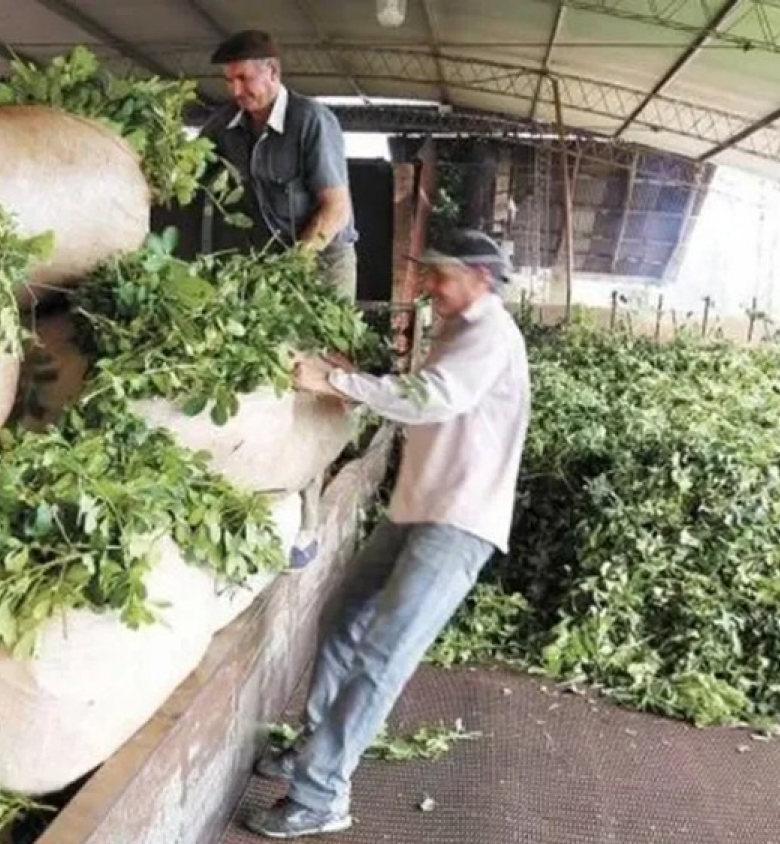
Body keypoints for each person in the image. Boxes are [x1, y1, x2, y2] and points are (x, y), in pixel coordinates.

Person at [243, 230, 532, 839]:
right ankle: (315, 746)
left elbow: (431, 399)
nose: (428, 286)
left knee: (382, 654)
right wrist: (359, 376)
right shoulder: (454, 328)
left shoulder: (490, 334)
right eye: (426, 274)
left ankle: (323, 794)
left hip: (458, 522)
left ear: (481, 277)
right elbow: (420, 397)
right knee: (344, 617)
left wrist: (336, 383)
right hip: (417, 507)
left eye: (440, 275)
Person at [201, 28, 360, 569]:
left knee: (310, 376)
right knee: (259, 369)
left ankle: (309, 520)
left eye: (245, 78)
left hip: (322, 261)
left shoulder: (312, 121)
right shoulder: (226, 127)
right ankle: (255, 480)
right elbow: (188, 173)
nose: (236, 90)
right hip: (268, 265)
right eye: (229, 81)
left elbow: (334, 208)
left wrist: (296, 266)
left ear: (273, 72)